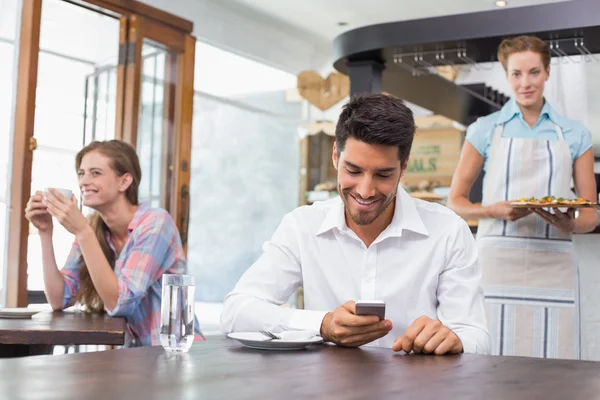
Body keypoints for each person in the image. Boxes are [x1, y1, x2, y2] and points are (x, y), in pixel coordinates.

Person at [221, 93, 491, 355]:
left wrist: (454, 339)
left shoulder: (448, 231)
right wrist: (322, 324)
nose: (365, 190)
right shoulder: (301, 226)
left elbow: (476, 336)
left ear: (404, 167)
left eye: (383, 174)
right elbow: (237, 311)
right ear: (336, 156)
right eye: (353, 171)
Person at [448, 35, 598, 359]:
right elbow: (455, 201)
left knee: (556, 357)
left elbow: (590, 214)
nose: (525, 83)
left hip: (554, 262)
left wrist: (570, 225)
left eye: (533, 72)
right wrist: (492, 211)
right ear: (507, 75)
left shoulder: (575, 134)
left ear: (547, 72)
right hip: (496, 264)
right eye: (516, 74)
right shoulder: (484, 130)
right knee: (491, 358)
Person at [25, 140, 202, 347]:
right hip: (134, 359)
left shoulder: (155, 223)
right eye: (81, 173)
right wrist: (45, 232)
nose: (84, 181)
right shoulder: (92, 227)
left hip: (175, 354)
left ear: (124, 181)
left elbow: (121, 303)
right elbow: (58, 299)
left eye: (95, 173)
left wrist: (83, 231)